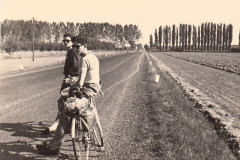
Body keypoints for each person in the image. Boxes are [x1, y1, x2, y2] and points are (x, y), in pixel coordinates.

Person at [36, 36, 104, 155]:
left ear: (85, 46)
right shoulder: (93, 56)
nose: (75, 48)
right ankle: (53, 143)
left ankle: (54, 146)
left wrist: (72, 87)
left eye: (78, 46)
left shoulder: (84, 59)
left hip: (86, 90)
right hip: (94, 88)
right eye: (73, 46)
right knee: (68, 109)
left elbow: (81, 81)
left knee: (65, 113)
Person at [41, 33, 82, 134]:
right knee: (65, 102)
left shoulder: (73, 52)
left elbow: (77, 67)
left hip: (71, 79)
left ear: (72, 42)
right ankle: (64, 124)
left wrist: (71, 77)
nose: (65, 43)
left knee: (63, 102)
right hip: (70, 78)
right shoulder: (70, 52)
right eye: (64, 41)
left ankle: (57, 125)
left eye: (68, 41)